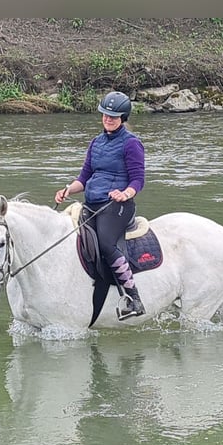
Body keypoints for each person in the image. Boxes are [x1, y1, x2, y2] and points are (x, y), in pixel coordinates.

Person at [55, 91, 146, 320]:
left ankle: (133, 298)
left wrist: (125, 193)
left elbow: (138, 179)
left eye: (113, 116)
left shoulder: (132, 144)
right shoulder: (96, 142)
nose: (108, 119)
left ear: (123, 118)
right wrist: (67, 190)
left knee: (105, 244)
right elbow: (84, 178)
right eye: (105, 115)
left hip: (117, 206)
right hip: (92, 203)